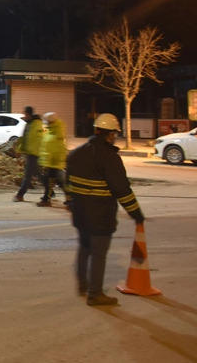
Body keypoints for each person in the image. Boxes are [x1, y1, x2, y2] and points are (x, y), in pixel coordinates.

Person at [66, 113, 144, 306]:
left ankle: (82, 285)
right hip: (100, 216)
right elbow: (122, 191)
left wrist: (71, 204)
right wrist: (136, 214)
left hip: (81, 213)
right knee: (99, 253)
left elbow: (67, 184)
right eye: (114, 134)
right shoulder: (109, 158)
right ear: (110, 134)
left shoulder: (76, 153)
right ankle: (95, 294)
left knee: (84, 248)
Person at [36, 112, 68, 207]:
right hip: (52, 161)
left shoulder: (56, 132)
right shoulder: (52, 130)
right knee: (59, 181)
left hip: (54, 161)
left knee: (51, 180)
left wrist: (48, 160)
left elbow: (54, 148)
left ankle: (47, 199)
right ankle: (70, 199)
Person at [13, 106, 44, 202]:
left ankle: (20, 194)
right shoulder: (29, 124)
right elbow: (24, 139)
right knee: (37, 173)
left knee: (28, 175)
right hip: (29, 152)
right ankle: (49, 190)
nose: (24, 116)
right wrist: (20, 150)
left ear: (29, 114)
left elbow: (38, 140)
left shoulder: (37, 125)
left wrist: (36, 152)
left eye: (25, 114)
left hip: (33, 153)